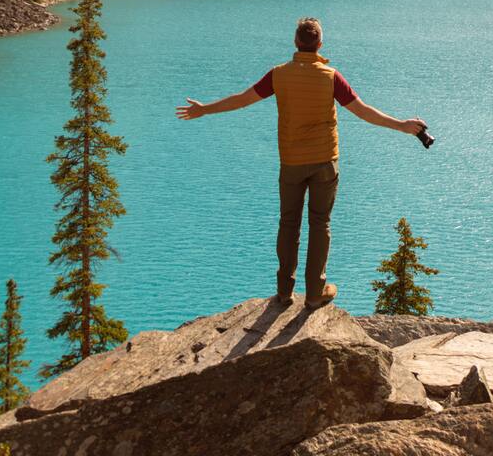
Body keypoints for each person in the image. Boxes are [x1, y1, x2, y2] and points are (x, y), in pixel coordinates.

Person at [175, 16, 426, 309]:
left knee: (289, 224)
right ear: (320, 44)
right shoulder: (331, 76)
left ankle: (284, 292)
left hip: (292, 162)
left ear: (296, 43)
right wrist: (402, 125)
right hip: (324, 163)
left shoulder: (279, 74)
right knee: (320, 224)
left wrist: (205, 109)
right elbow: (363, 112)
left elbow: (242, 100)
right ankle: (316, 292)